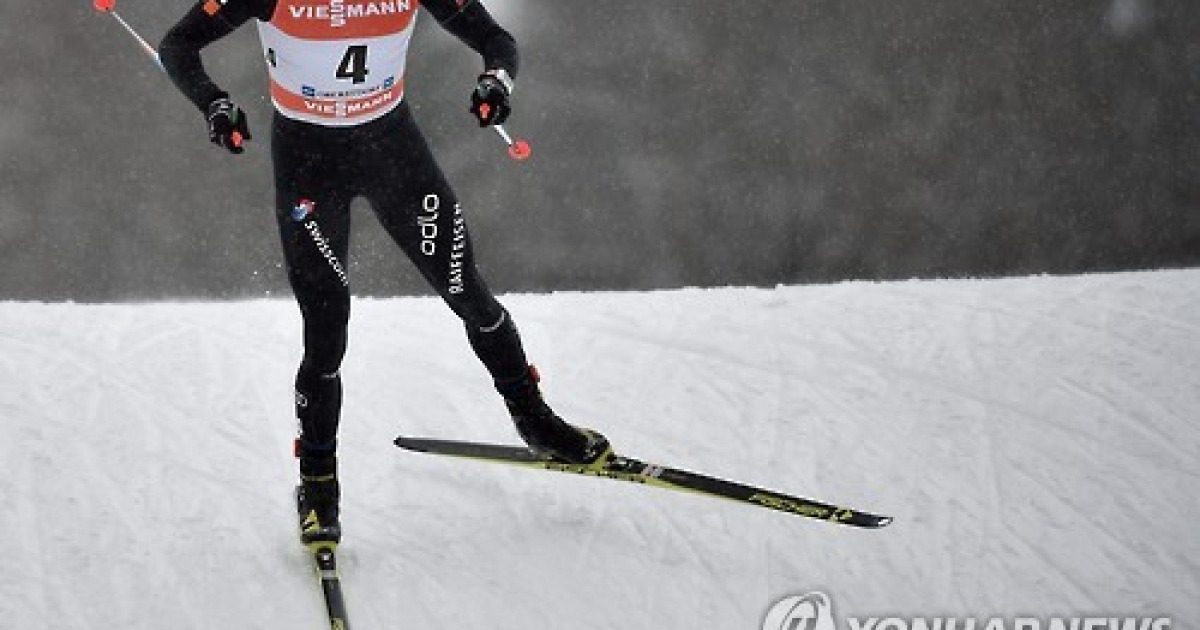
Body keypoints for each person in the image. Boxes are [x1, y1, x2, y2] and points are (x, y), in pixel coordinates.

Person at [157, 0, 609, 547]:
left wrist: (496, 82)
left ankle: (535, 420)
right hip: (308, 161)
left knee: (467, 291)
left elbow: (498, 43)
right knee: (327, 330)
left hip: (392, 152)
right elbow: (178, 45)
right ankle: (318, 484)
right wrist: (216, 104)